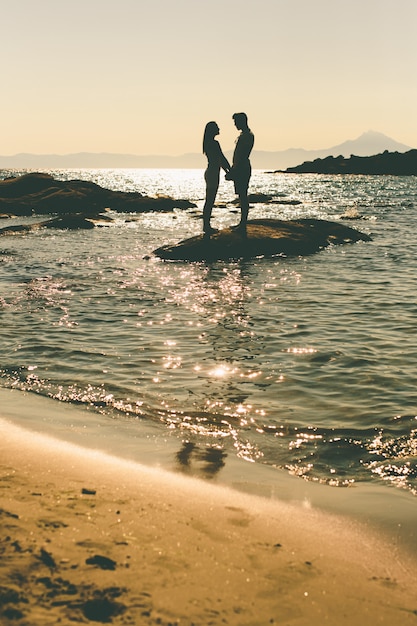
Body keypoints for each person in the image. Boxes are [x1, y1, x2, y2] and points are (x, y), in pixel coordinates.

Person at [226, 112, 254, 232]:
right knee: (241, 195)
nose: (235, 124)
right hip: (240, 167)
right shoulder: (244, 135)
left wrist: (234, 170)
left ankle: (243, 224)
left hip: (242, 168)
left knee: (243, 195)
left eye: (236, 122)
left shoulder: (247, 135)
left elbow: (242, 155)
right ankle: (242, 223)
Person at [202, 121, 231, 236]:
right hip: (213, 173)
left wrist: (228, 170)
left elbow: (220, 160)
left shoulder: (208, 143)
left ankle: (206, 225)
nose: (219, 129)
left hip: (211, 172)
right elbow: (221, 158)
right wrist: (230, 171)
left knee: (209, 200)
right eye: (217, 127)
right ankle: (206, 226)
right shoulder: (214, 143)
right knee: (210, 201)